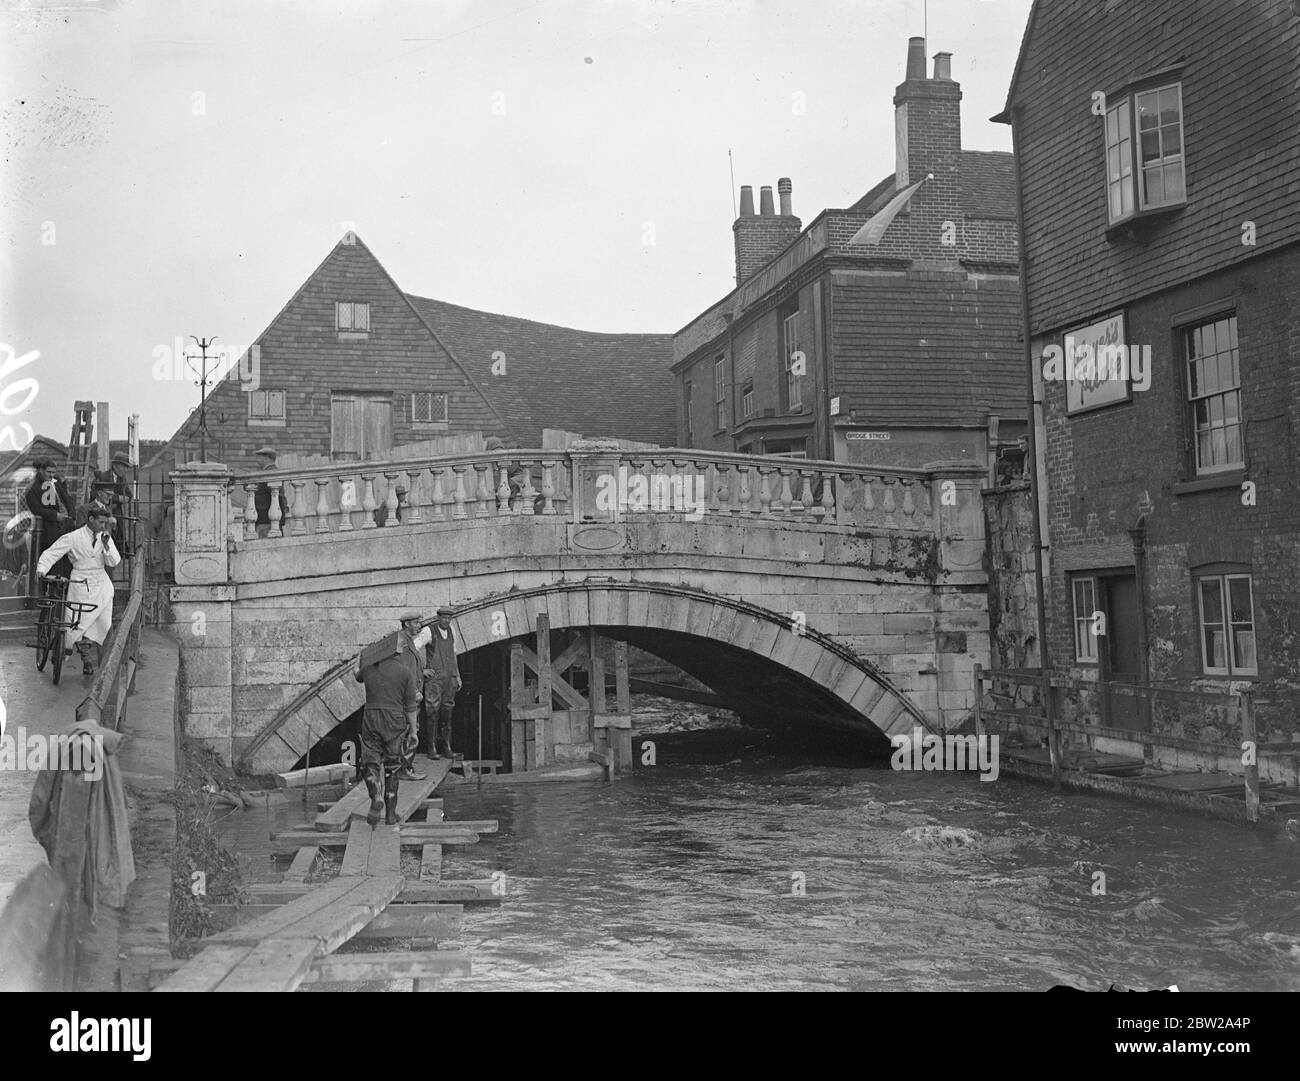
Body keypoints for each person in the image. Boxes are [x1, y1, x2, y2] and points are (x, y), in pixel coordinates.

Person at [35, 501, 120, 676]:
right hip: (80, 583)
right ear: (90, 519)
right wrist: (41, 569)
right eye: (100, 522)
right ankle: (85, 658)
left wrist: (105, 547)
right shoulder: (74, 537)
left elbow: (114, 562)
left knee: (103, 623)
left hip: (101, 584)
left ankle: (94, 661)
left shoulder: (105, 538)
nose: (103, 526)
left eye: (105, 523)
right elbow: (52, 552)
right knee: (77, 624)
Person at [353, 632, 420, 827]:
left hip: (372, 718)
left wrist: (358, 663)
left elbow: (357, 676)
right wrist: (414, 732)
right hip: (395, 721)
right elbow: (410, 707)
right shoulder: (405, 672)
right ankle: (391, 815)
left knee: (370, 763)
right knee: (393, 767)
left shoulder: (368, 669)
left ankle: (375, 795)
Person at [24, 458, 76, 604]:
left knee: (67, 559)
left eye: (53, 472)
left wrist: (71, 515)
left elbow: (67, 499)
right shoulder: (33, 488)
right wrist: (54, 516)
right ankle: (49, 595)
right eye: (48, 472)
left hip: (65, 526)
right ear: (41, 470)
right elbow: (36, 508)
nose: (51, 475)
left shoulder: (56, 483)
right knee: (52, 560)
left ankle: (65, 592)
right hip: (49, 529)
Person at [422, 606, 461, 758]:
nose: (446, 621)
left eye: (449, 618)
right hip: (435, 679)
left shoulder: (452, 631)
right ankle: (431, 748)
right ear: (438, 617)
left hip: (449, 678)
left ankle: (446, 747)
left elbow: (454, 653)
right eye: (444, 618)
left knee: (447, 712)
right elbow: (414, 648)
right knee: (432, 712)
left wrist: (457, 676)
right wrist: (422, 670)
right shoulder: (428, 631)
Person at [252, 446, 290, 538]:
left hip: (267, 521)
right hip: (267, 520)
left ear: (267, 458)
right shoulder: (269, 471)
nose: (257, 460)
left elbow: (278, 497)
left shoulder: (270, 473)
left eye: (259, 457)